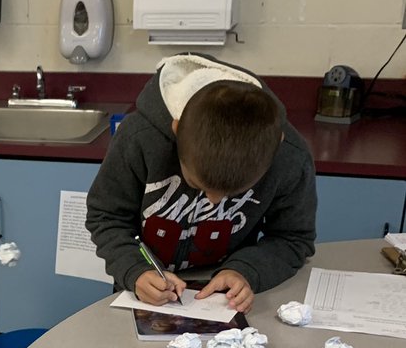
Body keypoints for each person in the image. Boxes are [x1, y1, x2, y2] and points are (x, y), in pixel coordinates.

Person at [86, 53, 317, 316]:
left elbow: (292, 238)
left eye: (234, 193)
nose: (213, 201)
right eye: (197, 183)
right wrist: (135, 269)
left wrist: (245, 271)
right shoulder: (141, 138)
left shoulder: (290, 158)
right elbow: (106, 216)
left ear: (277, 145)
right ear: (176, 130)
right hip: (143, 290)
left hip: (227, 301)